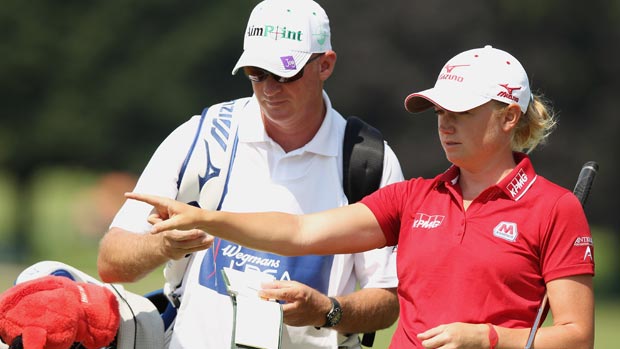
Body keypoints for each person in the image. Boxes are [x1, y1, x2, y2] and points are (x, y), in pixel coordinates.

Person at [126, 45, 595, 349]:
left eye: (461, 111)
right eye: (438, 110)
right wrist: (207, 218)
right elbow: (300, 232)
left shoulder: (555, 208)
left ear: (509, 117)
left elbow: (577, 336)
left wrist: (486, 338)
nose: (444, 123)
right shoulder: (414, 198)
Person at [97, 0, 404, 348]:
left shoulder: (367, 159)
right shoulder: (201, 136)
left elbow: (388, 299)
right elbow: (112, 263)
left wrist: (326, 311)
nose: (270, 89)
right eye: (256, 74)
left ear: (326, 65)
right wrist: (163, 246)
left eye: (286, 74)